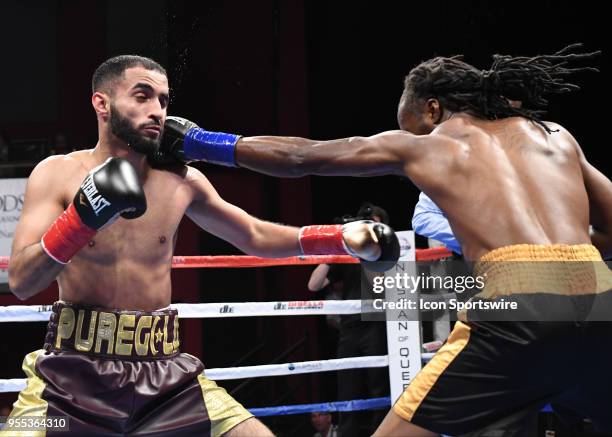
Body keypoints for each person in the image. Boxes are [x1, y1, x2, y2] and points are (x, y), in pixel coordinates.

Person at [156, 44, 612, 436]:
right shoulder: (557, 136)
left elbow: (302, 157)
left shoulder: (430, 144)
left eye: (410, 123)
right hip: (601, 304)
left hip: (518, 308)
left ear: (432, 109)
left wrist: (200, 143)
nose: (409, 134)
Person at [4, 55, 399, 437]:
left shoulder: (181, 181)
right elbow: (22, 280)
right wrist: (81, 219)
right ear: (102, 103)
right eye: (142, 96)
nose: (157, 110)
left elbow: (255, 235)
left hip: (164, 377)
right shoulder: (56, 173)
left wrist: (338, 239)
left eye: (163, 100)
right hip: (70, 377)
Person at [308, 203, 390, 436]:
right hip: (350, 326)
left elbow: (378, 284)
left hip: (377, 322)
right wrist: (332, 253)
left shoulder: (391, 252)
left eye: (374, 226)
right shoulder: (348, 254)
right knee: (347, 385)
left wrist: (369, 252)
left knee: (378, 384)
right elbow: (313, 285)